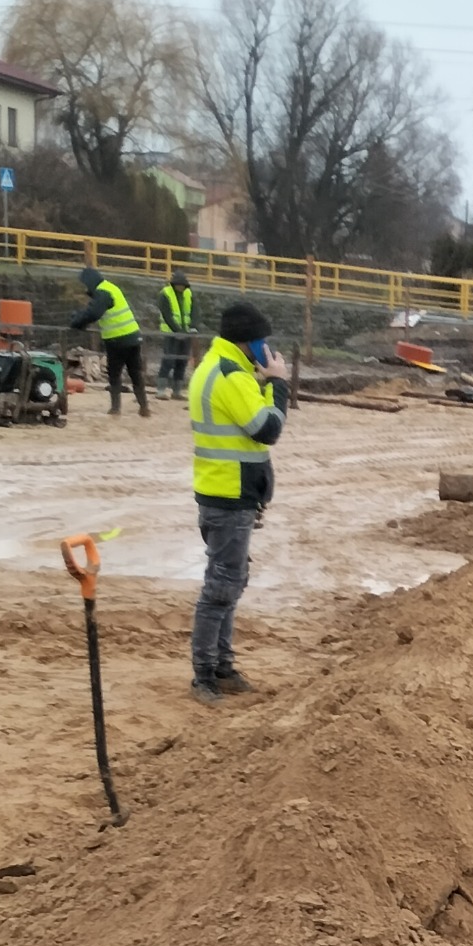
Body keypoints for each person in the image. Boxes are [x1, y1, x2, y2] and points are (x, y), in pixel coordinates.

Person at [187, 300, 287, 704]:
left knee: (230, 582)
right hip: (229, 495)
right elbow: (267, 429)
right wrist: (278, 384)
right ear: (248, 342)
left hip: (224, 491)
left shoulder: (220, 366)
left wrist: (261, 382)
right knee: (222, 588)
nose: (266, 348)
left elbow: (242, 420)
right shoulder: (230, 375)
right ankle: (205, 674)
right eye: (262, 341)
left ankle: (222, 666)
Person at [70, 266, 149, 417]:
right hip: (133, 336)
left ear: (90, 282)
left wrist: (76, 322)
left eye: (85, 285)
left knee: (114, 374)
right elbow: (94, 311)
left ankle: (115, 408)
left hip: (117, 340)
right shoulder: (110, 288)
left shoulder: (102, 292)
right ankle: (144, 407)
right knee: (135, 373)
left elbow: (93, 313)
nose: (85, 288)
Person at [155, 270, 196, 400]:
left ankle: (177, 391)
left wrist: (193, 326)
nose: (181, 287)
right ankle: (161, 389)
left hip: (186, 332)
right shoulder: (165, 294)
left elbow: (195, 311)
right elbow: (167, 315)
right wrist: (177, 330)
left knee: (182, 361)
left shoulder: (189, 294)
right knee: (168, 359)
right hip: (170, 332)